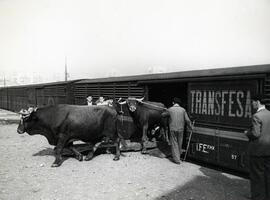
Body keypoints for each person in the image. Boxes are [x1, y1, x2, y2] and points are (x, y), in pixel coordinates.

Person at [244, 94, 270, 200]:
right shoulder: (269, 113)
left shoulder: (257, 116)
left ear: (257, 102)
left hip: (257, 151)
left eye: (253, 102)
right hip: (268, 150)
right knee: (267, 175)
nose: (252, 104)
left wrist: (247, 133)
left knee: (256, 176)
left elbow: (255, 134)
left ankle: (257, 197)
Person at [165, 97, 193, 164]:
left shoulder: (170, 109)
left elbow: (163, 115)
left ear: (173, 102)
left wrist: (166, 110)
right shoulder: (183, 110)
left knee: (174, 143)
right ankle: (178, 157)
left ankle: (177, 159)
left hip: (173, 129)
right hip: (181, 129)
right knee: (179, 143)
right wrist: (191, 127)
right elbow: (187, 120)